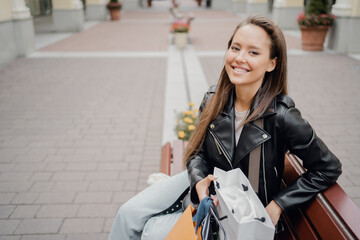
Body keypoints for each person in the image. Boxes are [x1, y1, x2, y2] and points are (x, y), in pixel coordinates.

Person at [108, 15, 342, 240]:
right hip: (206, 188)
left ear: (272, 63)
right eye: (235, 48)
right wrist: (199, 180)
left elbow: (328, 168)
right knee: (127, 215)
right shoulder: (213, 99)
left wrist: (280, 204)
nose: (240, 58)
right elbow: (197, 152)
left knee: (152, 232)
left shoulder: (282, 116)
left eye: (253, 52)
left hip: (238, 213)